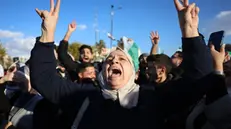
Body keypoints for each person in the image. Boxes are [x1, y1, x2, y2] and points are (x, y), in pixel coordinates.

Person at [30, 0, 224, 129]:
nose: (114, 60)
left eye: (122, 59)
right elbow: (43, 79)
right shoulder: (81, 97)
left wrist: (189, 30)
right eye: (109, 59)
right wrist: (48, 33)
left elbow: (200, 76)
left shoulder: (155, 97)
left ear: (135, 71)